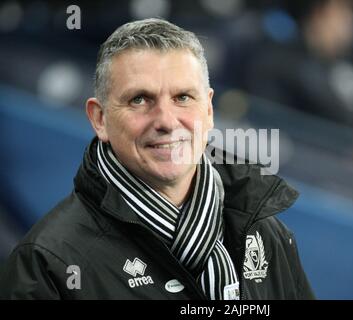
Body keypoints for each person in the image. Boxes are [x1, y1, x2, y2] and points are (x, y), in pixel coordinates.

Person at [0, 18, 314, 300]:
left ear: (208, 110)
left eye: (183, 98)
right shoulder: (48, 262)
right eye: (140, 99)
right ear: (100, 118)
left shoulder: (266, 235)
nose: (166, 120)